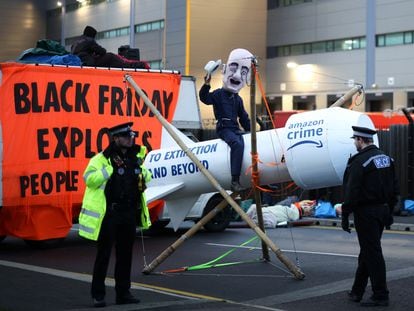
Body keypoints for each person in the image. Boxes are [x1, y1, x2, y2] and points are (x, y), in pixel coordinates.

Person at [78, 122, 152, 308]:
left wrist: (143, 172)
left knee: (125, 256)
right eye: (126, 136)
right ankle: (98, 295)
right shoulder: (101, 159)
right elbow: (89, 180)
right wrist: (108, 170)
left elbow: (147, 179)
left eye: (132, 136)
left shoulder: (136, 158)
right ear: (116, 138)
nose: (130, 139)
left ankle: (123, 293)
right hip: (109, 214)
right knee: (103, 255)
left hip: (128, 213)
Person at [341, 125, 399, 307]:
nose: (354, 143)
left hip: (366, 213)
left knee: (372, 253)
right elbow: (394, 189)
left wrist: (345, 215)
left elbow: (352, 192)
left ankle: (381, 295)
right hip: (382, 210)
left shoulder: (360, 162)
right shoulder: (387, 159)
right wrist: (389, 211)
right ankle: (357, 291)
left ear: (360, 140)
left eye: (355, 140)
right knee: (368, 250)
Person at [199, 48, 253, 192]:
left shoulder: (238, 99)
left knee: (245, 142)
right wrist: (206, 84)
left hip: (235, 129)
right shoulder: (218, 94)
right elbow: (205, 98)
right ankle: (234, 180)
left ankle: (248, 177)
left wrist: (253, 132)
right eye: (234, 68)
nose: (237, 75)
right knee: (237, 144)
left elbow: (244, 117)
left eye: (243, 72)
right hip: (224, 129)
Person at [71, 25, 149, 69]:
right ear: (92, 35)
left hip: (79, 63)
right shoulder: (89, 40)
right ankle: (134, 66)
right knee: (111, 56)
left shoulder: (75, 42)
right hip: (88, 64)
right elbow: (102, 51)